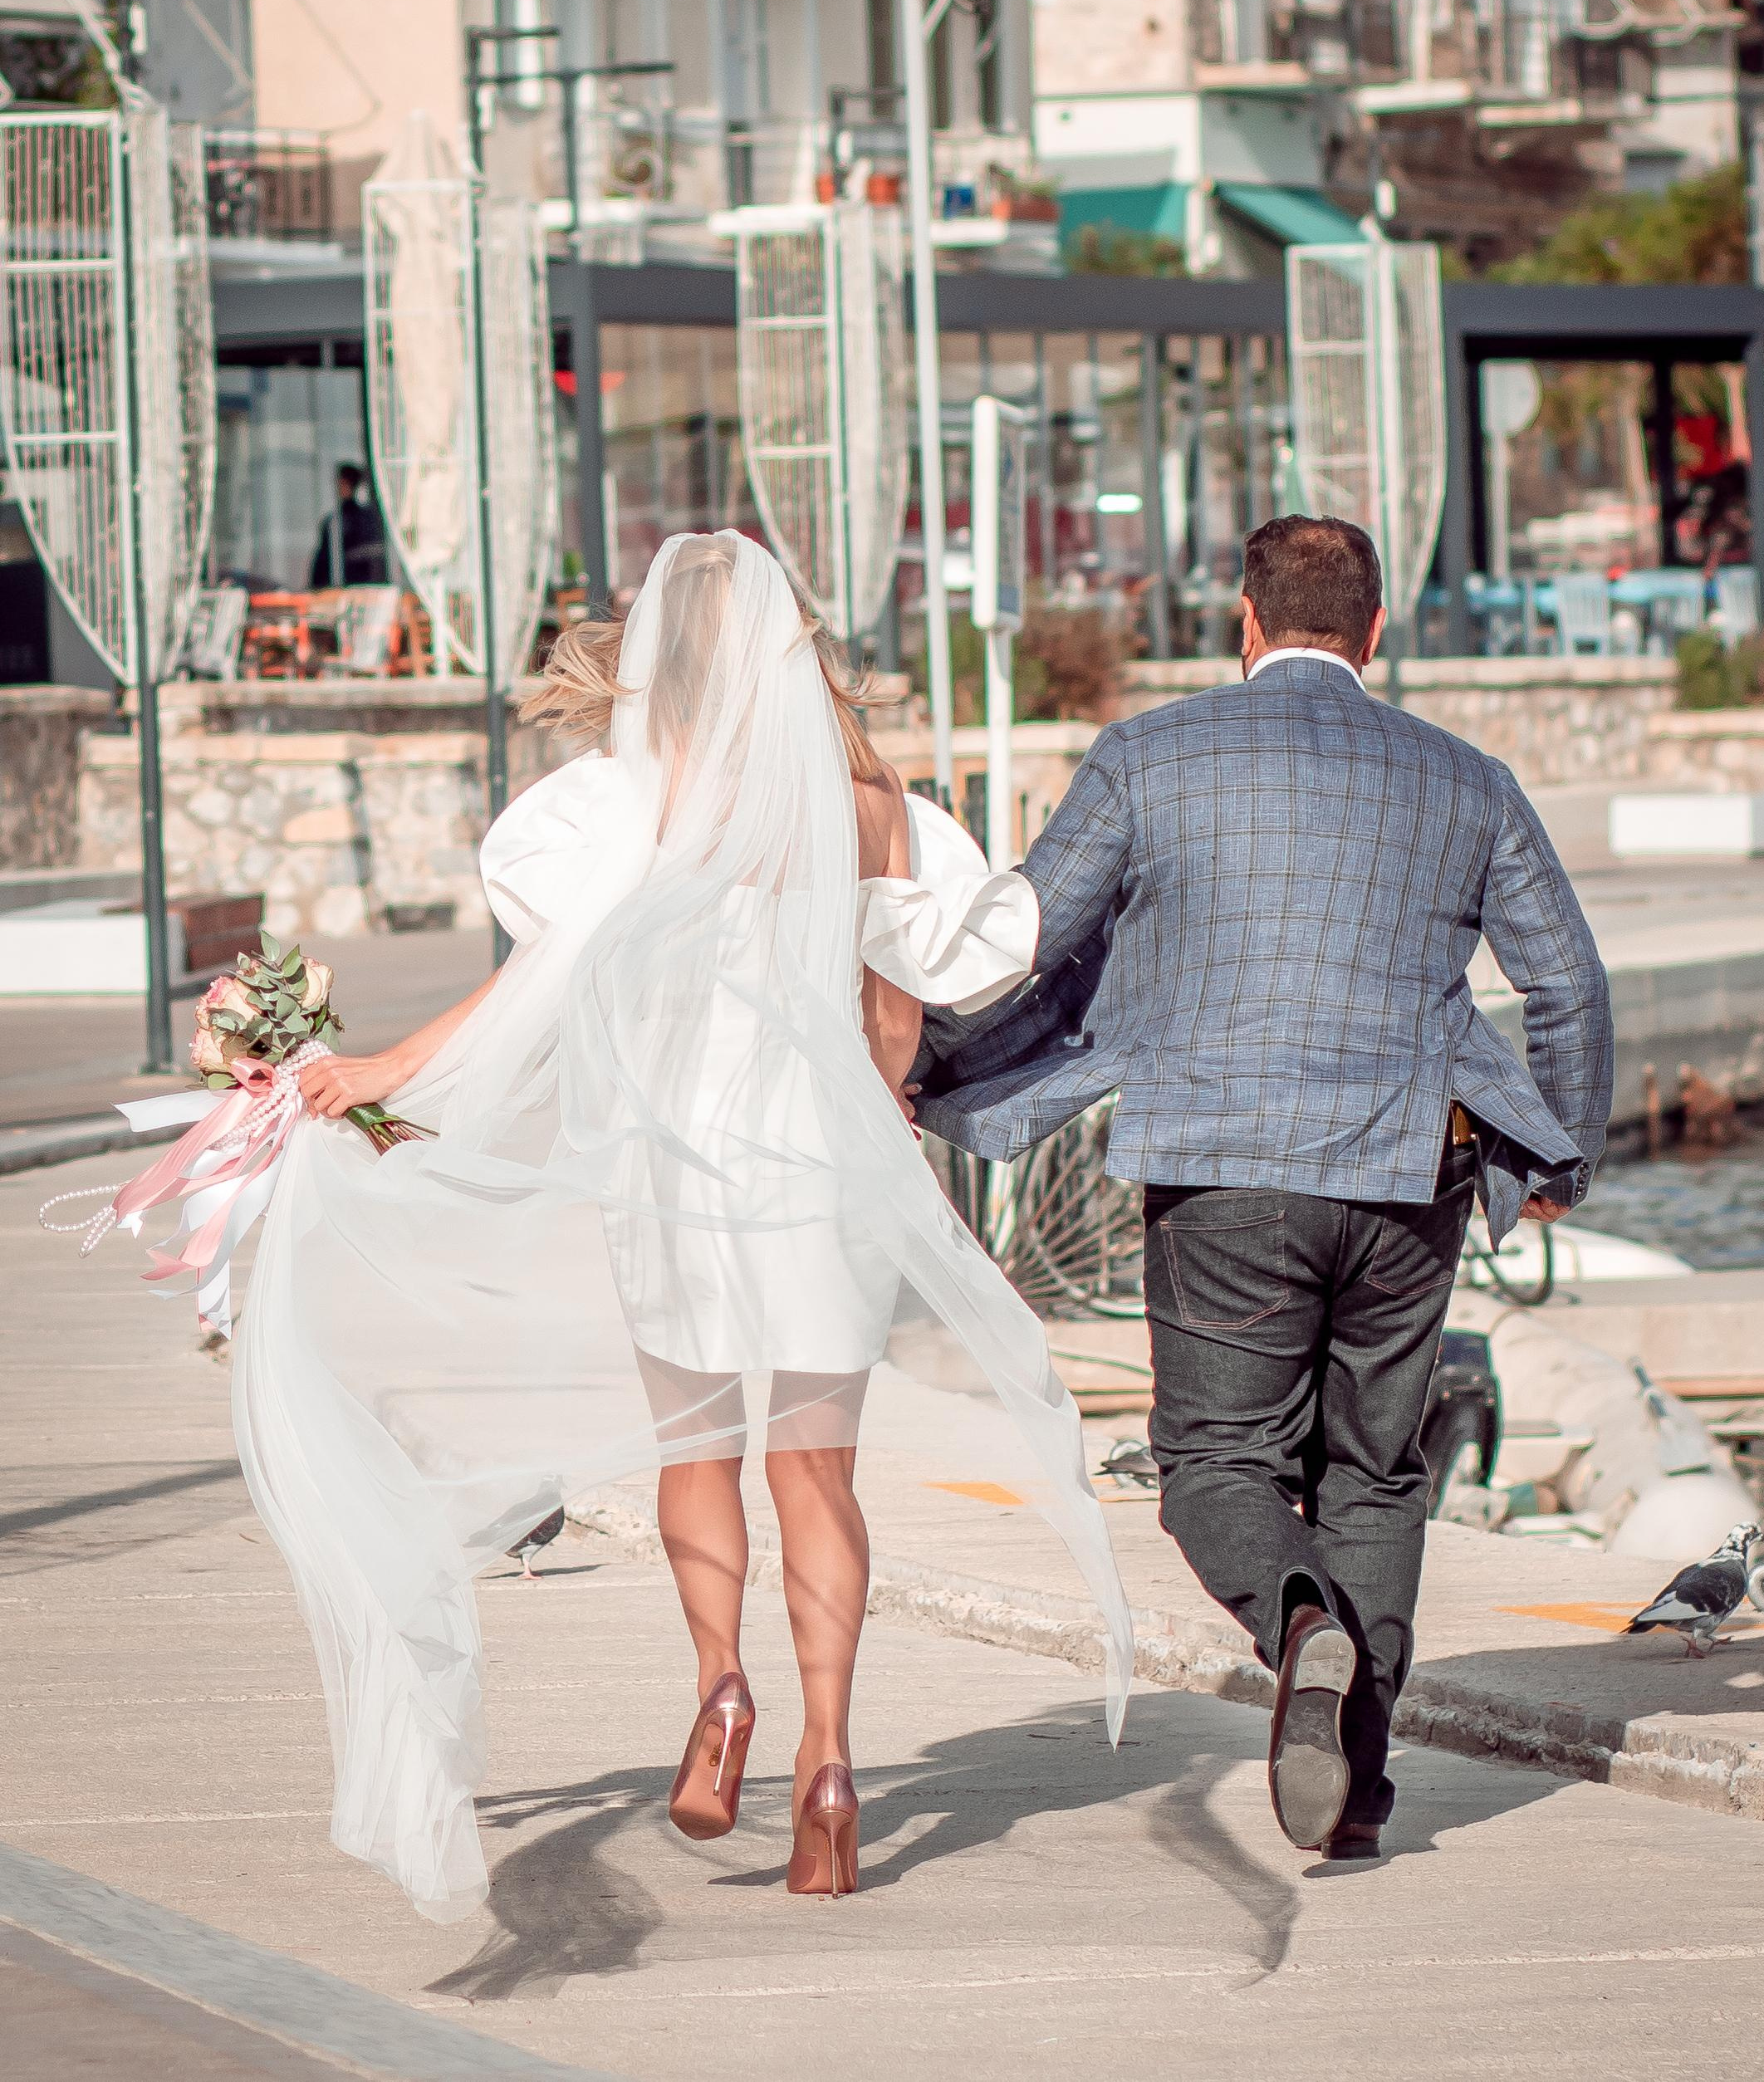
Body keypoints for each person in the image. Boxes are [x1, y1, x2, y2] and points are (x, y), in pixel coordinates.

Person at [243, 532, 1129, 1918]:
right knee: (816, 1475)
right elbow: (898, 1000)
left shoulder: (635, 802)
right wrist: (883, 1101)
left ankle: (722, 1689)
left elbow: (542, 979)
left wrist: (380, 1072)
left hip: (679, 1159)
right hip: (824, 1161)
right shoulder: (865, 795)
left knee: (694, 1450)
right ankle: (831, 1768)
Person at [914, 515, 1613, 1861]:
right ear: (1371, 633)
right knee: (1373, 1469)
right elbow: (1565, 984)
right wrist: (1562, 1154)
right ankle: (1351, 1788)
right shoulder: (1463, 777)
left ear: (1243, 621)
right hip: (1406, 1169)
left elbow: (1019, 935)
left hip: (1215, 1171)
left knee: (1212, 1464)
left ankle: (1298, 1631)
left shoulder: (1148, 753)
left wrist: (924, 1065)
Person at [306, 463, 389, 589]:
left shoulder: (341, 522)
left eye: (343, 483)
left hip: (357, 587)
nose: (339, 487)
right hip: (355, 588)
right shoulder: (336, 521)